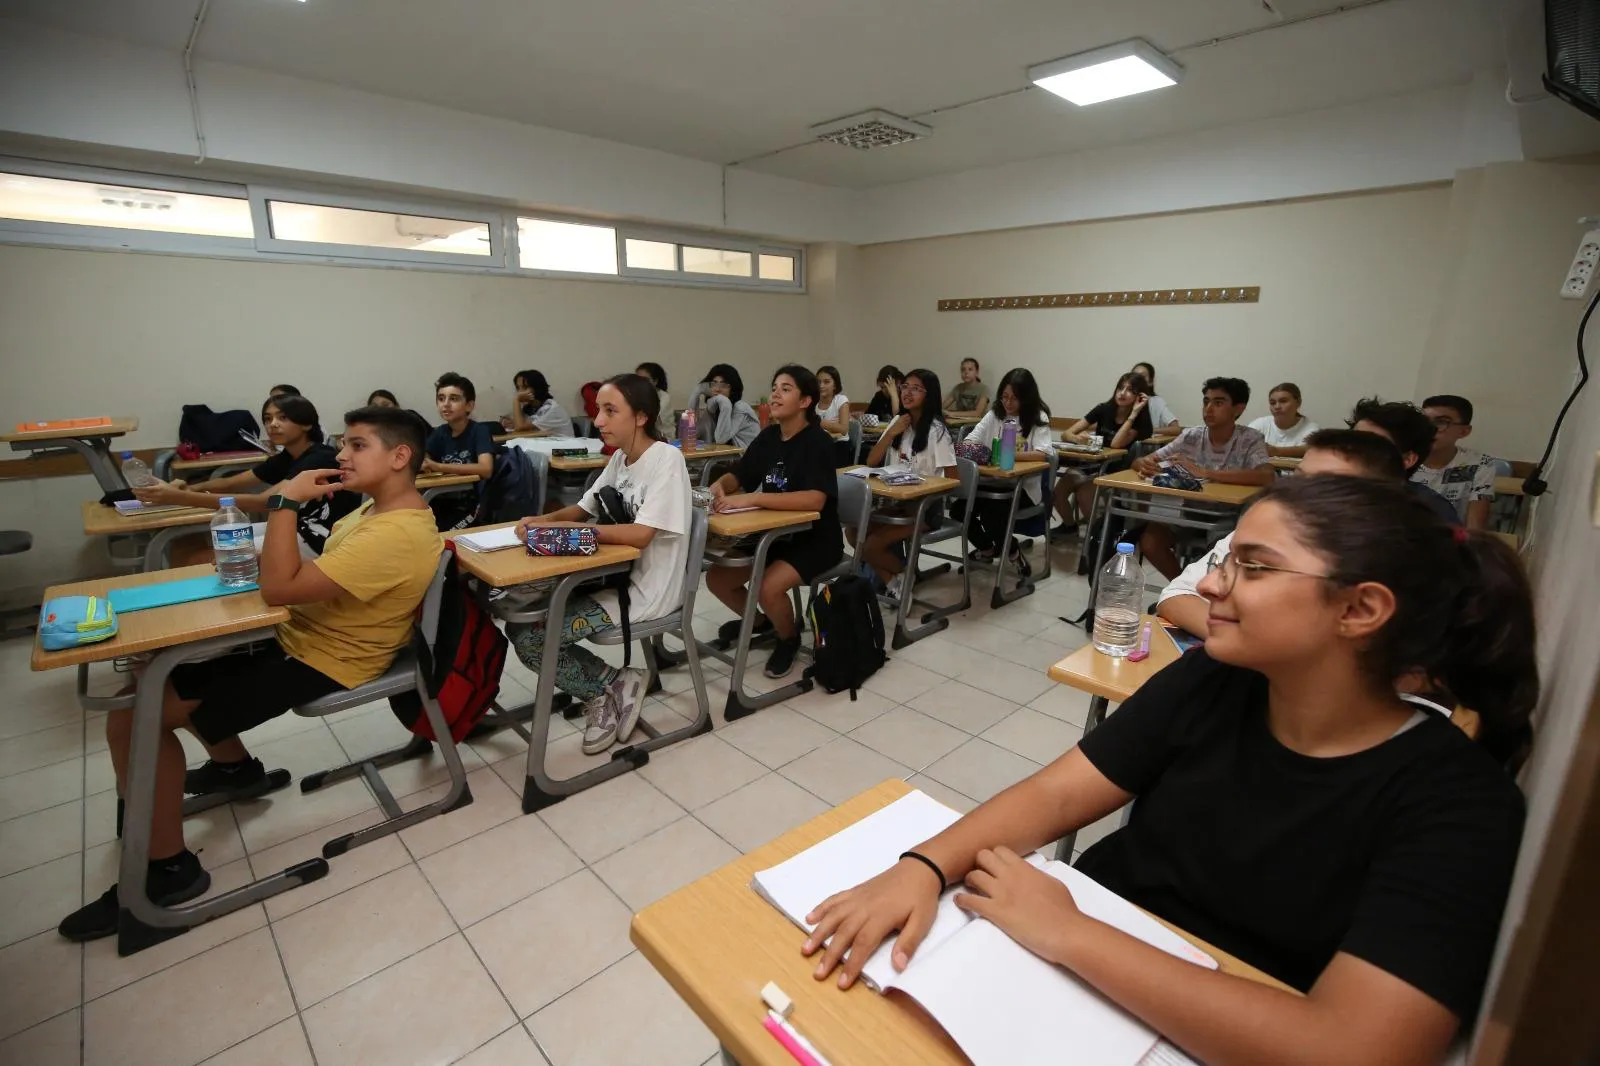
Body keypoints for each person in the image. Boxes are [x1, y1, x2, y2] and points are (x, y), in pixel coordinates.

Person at [803, 475, 1534, 1065]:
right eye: (1226, 559)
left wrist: (1071, 934)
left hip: (1202, 1013)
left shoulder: (1460, 804)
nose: (1212, 586)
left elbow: (1352, 1046)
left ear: (1360, 609)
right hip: (1089, 959)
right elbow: (1060, 789)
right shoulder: (1216, 682)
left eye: (1252, 566)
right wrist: (923, 867)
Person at [60, 406, 443, 952]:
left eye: (357, 445)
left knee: (134, 714)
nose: (341, 455)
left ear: (400, 456)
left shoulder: (397, 533)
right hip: (296, 636)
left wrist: (286, 501)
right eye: (344, 444)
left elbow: (281, 590)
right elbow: (289, 580)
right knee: (155, 680)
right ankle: (235, 770)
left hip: (324, 658)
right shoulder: (368, 514)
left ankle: (169, 870)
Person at [510, 375, 692, 754]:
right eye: (599, 411)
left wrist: (578, 535)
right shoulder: (621, 460)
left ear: (641, 417)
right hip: (614, 580)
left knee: (532, 641)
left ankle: (598, 696)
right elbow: (581, 509)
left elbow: (641, 535)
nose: (599, 421)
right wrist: (541, 523)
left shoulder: (666, 459)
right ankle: (618, 681)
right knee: (521, 626)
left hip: (649, 591)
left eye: (610, 411)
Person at [1158, 428, 1410, 637]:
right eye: (1298, 479)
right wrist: (1246, 640)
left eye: (1324, 487)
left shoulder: (1379, 568)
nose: (1298, 494)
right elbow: (1176, 595)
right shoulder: (1262, 534)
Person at [706, 365, 844, 679]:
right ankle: (765, 624)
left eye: (785, 388)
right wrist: (722, 486)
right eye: (774, 387)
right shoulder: (769, 437)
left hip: (815, 539)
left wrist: (753, 499)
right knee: (718, 579)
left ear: (805, 401)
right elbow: (742, 473)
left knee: (768, 587)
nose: (775, 394)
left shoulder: (817, 442)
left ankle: (788, 638)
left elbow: (815, 500)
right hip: (774, 535)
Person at [134, 394, 359, 556]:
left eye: (283, 418)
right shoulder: (289, 456)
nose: (273, 425)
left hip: (322, 540)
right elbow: (232, 481)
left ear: (307, 423)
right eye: (268, 419)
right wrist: (185, 489)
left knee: (212, 554)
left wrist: (177, 498)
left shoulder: (320, 456)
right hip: (298, 527)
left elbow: (266, 502)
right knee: (218, 537)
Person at [1131, 377, 1273, 578]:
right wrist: (1143, 464)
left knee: (1217, 555)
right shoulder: (1191, 436)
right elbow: (1141, 460)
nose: (1209, 409)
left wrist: (1206, 473)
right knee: (1150, 541)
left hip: (1227, 517)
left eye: (1218, 403)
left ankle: (1199, 590)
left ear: (1238, 409)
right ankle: (1181, 587)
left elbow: (1267, 476)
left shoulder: (1250, 439)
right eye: (1206, 402)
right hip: (1187, 511)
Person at [854, 368, 957, 602]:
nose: (907, 392)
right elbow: (871, 461)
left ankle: (900, 577)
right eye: (905, 387)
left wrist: (921, 487)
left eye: (915, 388)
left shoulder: (937, 432)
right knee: (853, 532)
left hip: (924, 509)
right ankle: (897, 579)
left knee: (870, 546)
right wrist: (892, 433)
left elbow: (953, 479)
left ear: (929, 395)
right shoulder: (898, 423)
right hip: (895, 503)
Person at [956, 368, 1052, 577]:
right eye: (1004, 397)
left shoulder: (1037, 417)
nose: (1008, 403)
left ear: (1027, 398)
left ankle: (1013, 552)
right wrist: (982, 453)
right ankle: (987, 549)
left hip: (1022, 487)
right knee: (959, 510)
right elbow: (970, 440)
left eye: (1015, 399)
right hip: (990, 483)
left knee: (992, 514)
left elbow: (1043, 454)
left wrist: (1005, 455)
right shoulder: (994, 414)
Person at [1053, 372, 1154, 533]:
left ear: (1139, 398)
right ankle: (1069, 527)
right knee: (1058, 492)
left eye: (1130, 390)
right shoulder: (1103, 409)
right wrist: (1079, 439)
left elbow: (1116, 443)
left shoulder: (1140, 422)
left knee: (1084, 494)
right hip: (1090, 465)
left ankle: (1099, 537)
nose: (1122, 393)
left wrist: (1134, 413)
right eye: (1120, 388)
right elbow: (1066, 434)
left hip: (1114, 470)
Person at [1345, 397, 1462, 526]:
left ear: (1407, 459)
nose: (1354, 449)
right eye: (1352, 439)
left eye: (1373, 445)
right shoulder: (1329, 490)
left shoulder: (1431, 512)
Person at [423, 372, 496, 531]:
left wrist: (439, 467)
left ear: (469, 405)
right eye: (441, 399)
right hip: (439, 502)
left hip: (470, 508)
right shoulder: (440, 433)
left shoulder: (479, 431)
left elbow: (486, 469)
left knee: (434, 536)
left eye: (454, 399)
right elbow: (426, 456)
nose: (446, 404)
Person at [1412, 394, 1498, 530]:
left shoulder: (1480, 463)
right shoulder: (1405, 459)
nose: (1429, 429)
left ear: (1464, 431)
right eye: (1424, 421)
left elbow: (1475, 528)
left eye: (1441, 422)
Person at [690, 363, 761, 448]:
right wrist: (697, 391)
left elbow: (721, 439)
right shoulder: (715, 407)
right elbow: (693, 433)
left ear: (733, 389)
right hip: (727, 458)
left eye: (723, 385)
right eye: (714, 383)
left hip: (749, 458)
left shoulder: (740, 408)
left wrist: (725, 402)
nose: (717, 389)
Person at [1249, 382, 1321, 457]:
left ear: (1298, 402)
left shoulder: (1311, 428)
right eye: (1272, 403)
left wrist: (1275, 451)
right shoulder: (1259, 424)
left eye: (1283, 401)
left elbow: (1312, 448)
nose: (1277, 407)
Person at [504, 369, 575, 436]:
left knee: (522, 447)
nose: (520, 392)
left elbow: (520, 427)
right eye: (518, 388)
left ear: (537, 388)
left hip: (566, 448)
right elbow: (520, 428)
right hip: (548, 447)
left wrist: (516, 400)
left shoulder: (552, 408)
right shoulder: (530, 408)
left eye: (525, 387)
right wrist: (510, 423)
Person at [1131, 362, 1181, 431]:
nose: (1137, 380)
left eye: (1142, 377)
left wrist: (1148, 431)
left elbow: (1176, 429)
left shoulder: (1156, 402)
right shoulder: (1123, 399)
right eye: (1134, 376)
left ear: (1150, 382)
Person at [636, 362, 675, 439]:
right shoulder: (636, 394)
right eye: (637, 379)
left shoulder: (664, 397)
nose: (641, 383)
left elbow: (650, 418)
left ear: (655, 381)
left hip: (663, 438)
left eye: (645, 379)